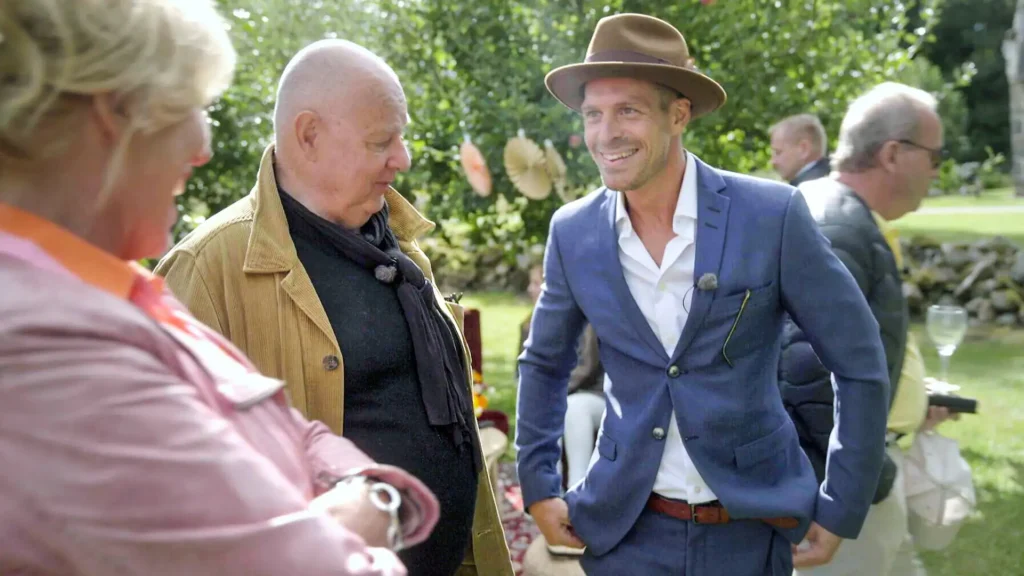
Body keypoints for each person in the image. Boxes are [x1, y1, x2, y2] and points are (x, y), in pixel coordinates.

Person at [0, 1, 439, 574]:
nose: (202, 148)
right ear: (115, 113)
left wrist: (363, 495)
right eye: (193, 107)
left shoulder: (103, 294)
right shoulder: (49, 348)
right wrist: (372, 509)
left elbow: (296, 431)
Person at [515, 13, 891, 576]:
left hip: (750, 531)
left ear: (679, 114)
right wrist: (540, 485)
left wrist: (841, 504)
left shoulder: (771, 216)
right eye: (593, 114)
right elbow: (545, 364)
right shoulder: (573, 232)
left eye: (629, 111)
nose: (605, 133)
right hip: (624, 531)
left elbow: (859, 363)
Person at [155, 39, 512, 576]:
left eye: (400, 138)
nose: (403, 159)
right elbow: (172, 489)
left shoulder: (398, 244)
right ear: (309, 136)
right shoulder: (206, 269)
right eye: (381, 141)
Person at [780, 82, 956, 576]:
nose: (937, 171)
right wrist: (855, 487)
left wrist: (913, 402)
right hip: (845, 494)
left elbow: (857, 353)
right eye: (935, 156)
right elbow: (809, 374)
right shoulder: (836, 225)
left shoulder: (848, 217)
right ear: (893, 154)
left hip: (862, 479)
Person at [770, 114, 831, 186]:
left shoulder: (806, 189)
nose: (773, 161)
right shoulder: (833, 179)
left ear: (804, 149)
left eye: (778, 152)